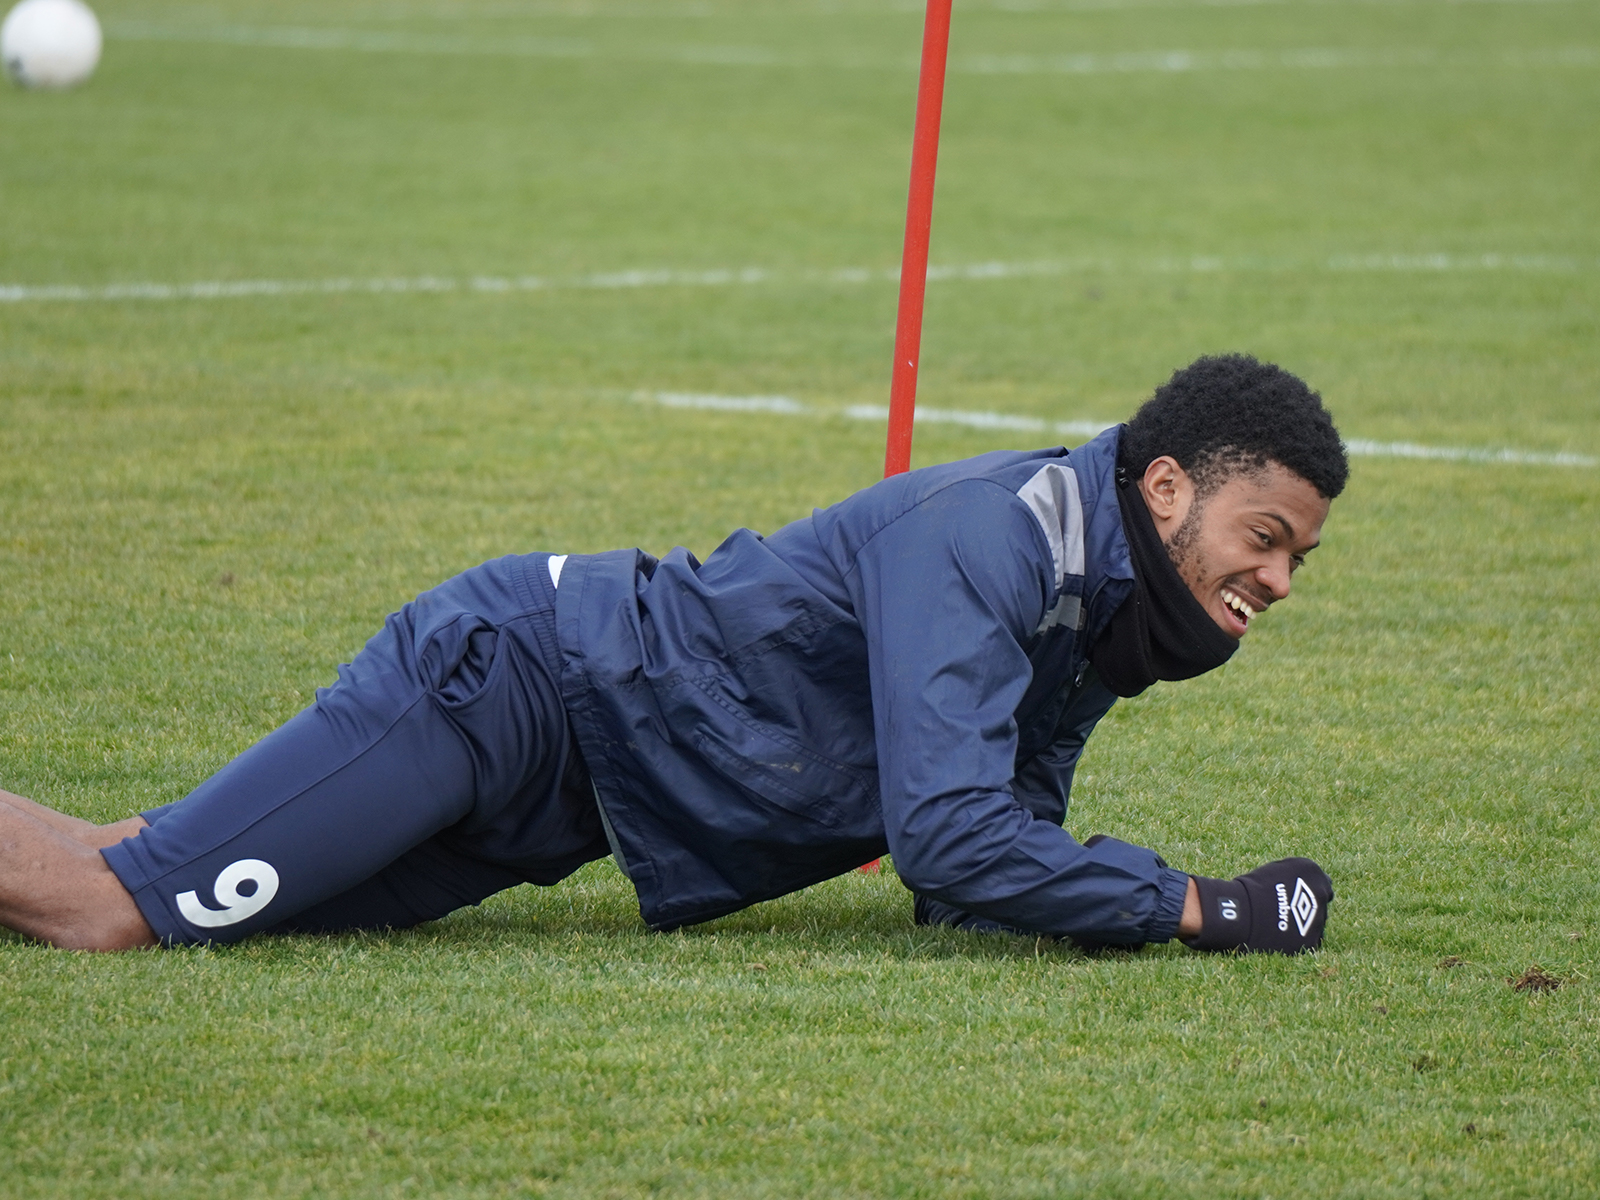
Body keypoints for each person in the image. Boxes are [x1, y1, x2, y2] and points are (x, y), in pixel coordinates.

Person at [0, 353, 1344, 955]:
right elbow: (943, 834)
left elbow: (991, 843)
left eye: (1299, 559)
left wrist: (1056, 893)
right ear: (1165, 488)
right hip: (511, 688)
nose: (1277, 580)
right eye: (1265, 536)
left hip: (561, 804)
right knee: (121, 910)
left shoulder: (1108, 610)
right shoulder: (994, 537)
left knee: (158, 873)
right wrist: (1195, 906)